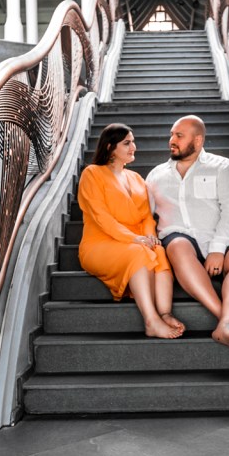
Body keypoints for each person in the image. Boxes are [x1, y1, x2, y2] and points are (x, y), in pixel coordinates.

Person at [146, 114, 229, 349]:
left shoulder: (224, 168)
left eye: (179, 136)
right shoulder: (156, 175)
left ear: (198, 140)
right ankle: (225, 319)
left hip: (219, 237)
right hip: (179, 238)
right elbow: (142, 213)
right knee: (176, 246)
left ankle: (225, 325)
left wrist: (217, 250)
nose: (172, 140)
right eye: (171, 135)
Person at [77, 123, 185, 339]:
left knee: (159, 251)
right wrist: (134, 238)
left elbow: (146, 215)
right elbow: (101, 218)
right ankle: (151, 321)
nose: (133, 147)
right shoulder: (92, 174)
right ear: (110, 147)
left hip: (136, 240)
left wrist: (149, 235)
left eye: (133, 142)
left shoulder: (136, 178)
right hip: (100, 243)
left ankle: (164, 314)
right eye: (127, 143)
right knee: (139, 253)